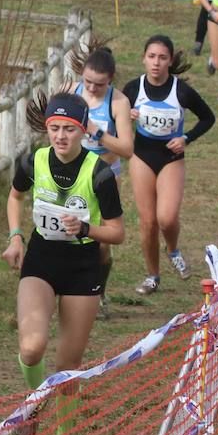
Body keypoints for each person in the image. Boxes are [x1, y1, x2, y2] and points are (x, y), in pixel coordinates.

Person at [2, 93, 124, 435]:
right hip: (40, 261)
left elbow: (117, 233)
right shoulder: (33, 161)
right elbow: (14, 198)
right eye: (54, 128)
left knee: (68, 365)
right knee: (31, 346)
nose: (60, 136)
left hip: (83, 268)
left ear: (83, 130)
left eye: (68, 129)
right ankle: (36, 403)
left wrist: (86, 228)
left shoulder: (100, 172)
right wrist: (15, 236)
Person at [121, 35, 216, 296]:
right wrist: (125, 116)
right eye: (151, 56)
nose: (156, 63)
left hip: (170, 159)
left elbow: (208, 118)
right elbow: (112, 116)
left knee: (167, 218)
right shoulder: (132, 88)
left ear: (170, 61)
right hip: (142, 156)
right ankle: (153, 276)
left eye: (162, 58)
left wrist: (186, 138)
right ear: (143, 58)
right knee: (148, 223)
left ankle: (172, 249)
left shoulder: (181, 90)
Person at [70, 43, 134, 302]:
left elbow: (127, 149)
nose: (92, 88)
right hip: (72, 172)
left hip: (105, 174)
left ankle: (99, 292)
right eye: (87, 81)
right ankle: (71, 291)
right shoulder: (70, 91)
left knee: (102, 243)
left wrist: (96, 132)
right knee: (68, 234)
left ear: (110, 80)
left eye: (99, 84)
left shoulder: (119, 102)